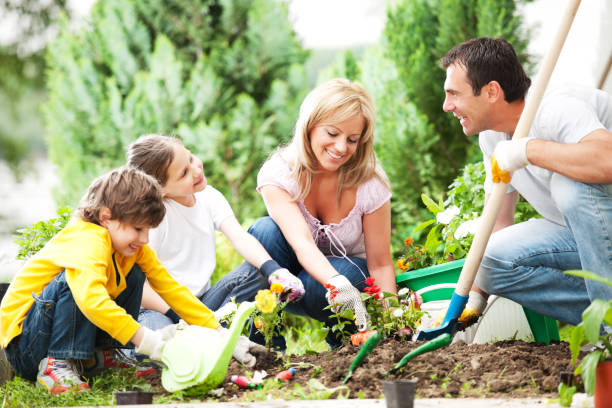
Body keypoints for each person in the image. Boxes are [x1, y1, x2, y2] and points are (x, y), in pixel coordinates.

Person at [0, 167, 220, 394]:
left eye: (148, 230)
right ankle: (57, 365)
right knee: (74, 282)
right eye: (138, 228)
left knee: (134, 272)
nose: (145, 239)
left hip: (52, 332)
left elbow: (170, 287)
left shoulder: (132, 248)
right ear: (106, 218)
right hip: (28, 347)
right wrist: (145, 339)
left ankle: (103, 357)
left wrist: (216, 330)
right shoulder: (87, 239)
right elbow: (91, 300)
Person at [440, 36, 612, 327]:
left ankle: (608, 334)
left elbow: (607, 160)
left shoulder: (554, 107)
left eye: (454, 94)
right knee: (491, 260)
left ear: (492, 91)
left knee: (568, 187)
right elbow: (498, 220)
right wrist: (476, 294)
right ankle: (602, 318)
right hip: (581, 234)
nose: (447, 106)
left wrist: (527, 150)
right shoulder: (491, 137)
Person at [246, 78, 396, 348]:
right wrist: (335, 283)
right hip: (291, 284)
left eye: (352, 140)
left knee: (337, 278)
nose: (341, 148)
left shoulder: (370, 182)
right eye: (332, 133)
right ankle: (262, 344)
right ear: (310, 126)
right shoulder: (280, 173)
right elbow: (301, 242)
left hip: (340, 283)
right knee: (263, 232)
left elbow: (381, 263)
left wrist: (393, 321)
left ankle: (347, 343)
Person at [126, 134, 305, 346]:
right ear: (160, 190)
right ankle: (198, 341)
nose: (196, 170)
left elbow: (239, 237)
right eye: (183, 173)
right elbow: (140, 288)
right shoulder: (155, 219)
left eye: (190, 159)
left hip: (204, 303)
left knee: (259, 271)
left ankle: (239, 337)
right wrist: (179, 316)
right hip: (161, 309)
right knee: (161, 344)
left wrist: (274, 270)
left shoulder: (208, 196)